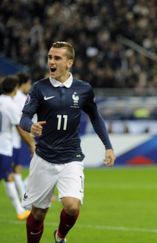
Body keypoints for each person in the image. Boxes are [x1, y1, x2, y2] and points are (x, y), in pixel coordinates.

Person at [20, 41, 116, 243]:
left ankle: (60, 236)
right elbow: (24, 119)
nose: (51, 62)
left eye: (57, 58)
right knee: (38, 214)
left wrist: (108, 146)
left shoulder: (83, 89)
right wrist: (31, 126)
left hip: (71, 157)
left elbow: (96, 117)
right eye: (50, 57)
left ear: (69, 62)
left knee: (72, 206)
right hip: (44, 158)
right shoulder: (39, 88)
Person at [0, 75, 35, 221]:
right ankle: (20, 210)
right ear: (15, 88)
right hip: (4, 146)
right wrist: (31, 144)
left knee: (8, 175)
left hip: (5, 146)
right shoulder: (11, 105)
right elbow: (20, 128)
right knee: (8, 176)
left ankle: (21, 208)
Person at [11, 72, 33, 200]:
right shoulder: (22, 98)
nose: (29, 86)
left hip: (13, 137)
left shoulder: (9, 97)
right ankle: (24, 196)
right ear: (23, 84)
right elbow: (22, 120)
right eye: (29, 83)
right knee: (16, 169)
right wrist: (30, 139)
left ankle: (24, 194)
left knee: (15, 169)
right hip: (19, 137)